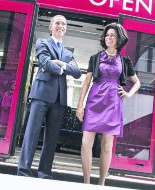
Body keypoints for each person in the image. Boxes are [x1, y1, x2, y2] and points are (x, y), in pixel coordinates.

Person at [17, 15, 82, 178]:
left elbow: (77, 73)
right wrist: (63, 67)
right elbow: (45, 62)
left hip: (59, 99)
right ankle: (23, 170)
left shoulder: (68, 53)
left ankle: (44, 172)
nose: (61, 26)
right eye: (58, 23)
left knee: (52, 138)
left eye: (64, 24)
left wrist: (62, 64)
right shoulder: (42, 42)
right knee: (32, 133)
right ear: (51, 26)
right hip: (41, 94)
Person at [76, 23, 140, 185]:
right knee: (85, 142)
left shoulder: (125, 61)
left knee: (106, 145)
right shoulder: (95, 58)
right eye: (107, 35)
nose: (109, 37)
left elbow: (136, 82)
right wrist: (80, 105)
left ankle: (102, 183)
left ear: (119, 38)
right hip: (94, 101)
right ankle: (86, 182)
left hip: (113, 103)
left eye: (112, 35)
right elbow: (86, 82)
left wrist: (128, 94)